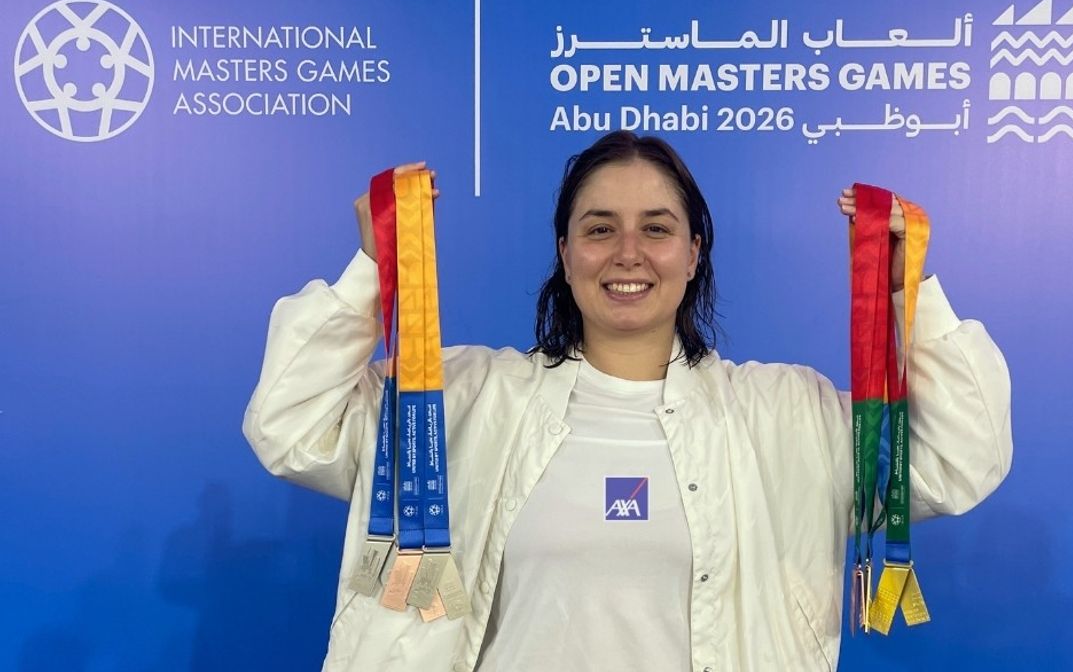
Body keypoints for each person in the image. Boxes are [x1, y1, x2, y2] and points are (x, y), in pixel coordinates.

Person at [243, 130, 1012, 672]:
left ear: (693, 252)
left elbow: (960, 460)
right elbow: (292, 427)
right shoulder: (464, 400)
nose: (628, 254)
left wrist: (910, 289)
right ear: (565, 252)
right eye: (599, 229)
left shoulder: (786, 416)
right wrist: (374, 264)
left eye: (657, 229)